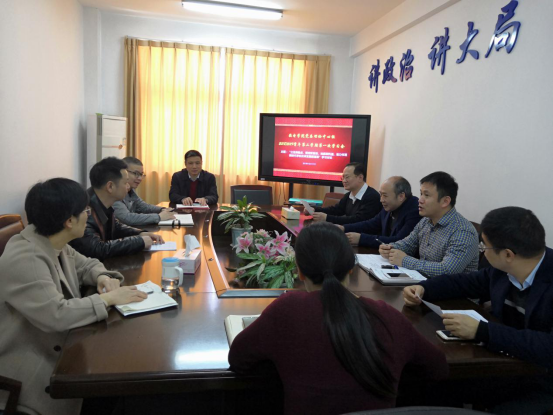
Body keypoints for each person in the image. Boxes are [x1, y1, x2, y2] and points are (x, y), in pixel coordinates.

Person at [229, 222, 448, 415]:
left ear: (299, 272)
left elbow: (238, 358)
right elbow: (438, 368)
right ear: (352, 269)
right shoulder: (389, 316)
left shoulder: (287, 310)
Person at [0, 178, 147, 415]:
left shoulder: (52, 239)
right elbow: (56, 314)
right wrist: (108, 299)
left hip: (62, 347)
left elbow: (86, 264)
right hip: (32, 368)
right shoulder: (27, 257)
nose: (88, 215)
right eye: (85, 211)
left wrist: (102, 276)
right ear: (69, 221)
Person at [403, 207, 553, 413]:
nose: (482, 251)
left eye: (485, 246)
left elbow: (548, 346)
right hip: (503, 363)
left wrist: (482, 330)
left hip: (541, 379)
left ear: (508, 254)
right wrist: (424, 288)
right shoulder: (502, 270)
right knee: (428, 383)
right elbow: (464, 282)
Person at [379, 171, 478, 277]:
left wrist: (405, 261)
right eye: (421, 193)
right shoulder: (425, 221)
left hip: (449, 287)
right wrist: (390, 248)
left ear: (445, 201)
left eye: (426, 195)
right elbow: (408, 244)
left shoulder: (463, 231)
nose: (420, 200)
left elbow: (447, 270)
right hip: (421, 282)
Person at [70, 157, 163, 260]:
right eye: (125, 182)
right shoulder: (84, 211)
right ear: (110, 186)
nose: (128, 187)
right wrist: (139, 242)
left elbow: (116, 227)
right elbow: (98, 249)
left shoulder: (104, 203)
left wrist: (140, 233)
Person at [338, 176, 421, 248]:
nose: (381, 200)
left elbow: (399, 241)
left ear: (401, 196)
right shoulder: (390, 206)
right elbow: (371, 224)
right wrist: (344, 228)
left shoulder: (415, 211)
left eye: (385, 195)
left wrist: (361, 239)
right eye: (380, 195)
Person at [113, 156, 176, 226]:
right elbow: (127, 218)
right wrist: (159, 217)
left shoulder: (130, 190)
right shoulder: (114, 192)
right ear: (123, 172)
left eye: (141, 174)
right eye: (136, 174)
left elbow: (143, 206)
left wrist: (163, 209)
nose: (140, 178)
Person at [311, 163, 382, 225]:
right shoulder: (348, 195)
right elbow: (336, 210)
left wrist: (327, 218)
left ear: (360, 178)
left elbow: (357, 220)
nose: (344, 181)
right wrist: (314, 210)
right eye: (343, 177)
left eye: (347, 177)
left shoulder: (372, 197)